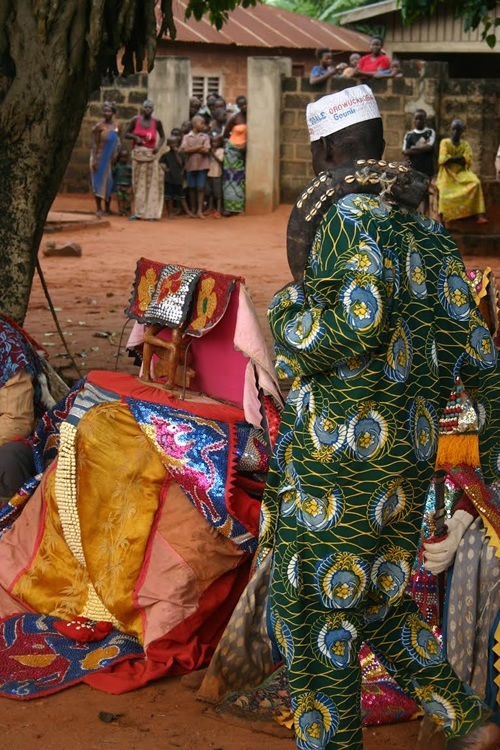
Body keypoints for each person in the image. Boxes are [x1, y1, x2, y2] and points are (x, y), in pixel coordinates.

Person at [252, 85, 500, 750]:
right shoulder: (430, 234)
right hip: (403, 467)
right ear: (378, 146)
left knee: (312, 618)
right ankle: (464, 719)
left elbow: (353, 327)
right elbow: (479, 355)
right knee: (378, 604)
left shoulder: (347, 219)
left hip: (341, 467)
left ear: (321, 153)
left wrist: (284, 315)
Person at [0, 314, 60, 504]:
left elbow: (16, 423)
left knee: (8, 460)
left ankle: (12, 528)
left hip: (21, 442)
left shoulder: (7, 347)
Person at [436, 118, 488, 224]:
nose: (456, 132)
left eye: (458, 130)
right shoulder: (445, 142)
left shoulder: (465, 144)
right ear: (451, 129)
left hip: (461, 172)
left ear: (462, 131)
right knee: (444, 192)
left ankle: (479, 214)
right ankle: (443, 217)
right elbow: (443, 160)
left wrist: (452, 158)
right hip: (447, 173)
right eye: (454, 129)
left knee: (476, 183)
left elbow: (467, 160)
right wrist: (460, 158)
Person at [124, 99, 165, 221]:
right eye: (146, 107)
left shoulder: (157, 122)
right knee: (138, 184)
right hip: (138, 155)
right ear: (142, 108)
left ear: (153, 109)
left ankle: (152, 214)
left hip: (150, 156)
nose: (148, 110)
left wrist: (158, 147)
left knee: (152, 185)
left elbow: (162, 136)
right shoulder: (135, 120)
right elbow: (126, 134)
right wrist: (135, 137)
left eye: (150, 108)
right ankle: (139, 212)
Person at [403, 109, 436, 214]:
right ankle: (416, 216)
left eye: (421, 118)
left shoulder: (429, 132)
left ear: (425, 120)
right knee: (414, 194)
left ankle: (425, 216)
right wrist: (422, 147)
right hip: (413, 169)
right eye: (416, 118)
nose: (418, 121)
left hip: (427, 170)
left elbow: (430, 147)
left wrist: (413, 148)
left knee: (425, 194)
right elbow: (404, 151)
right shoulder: (409, 135)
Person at [90, 101, 120, 216]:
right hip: (100, 157)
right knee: (98, 182)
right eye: (105, 111)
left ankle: (107, 208)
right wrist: (95, 161)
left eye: (109, 111)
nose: (106, 113)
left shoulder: (116, 126)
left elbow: (118, 141)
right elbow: (94, 144)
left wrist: (116, 155)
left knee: (109, 183)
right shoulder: (99, 126)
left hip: (110, 159)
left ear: (113, 112)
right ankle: (99, 208)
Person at [180, 114, 211, 219]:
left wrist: (192, 149)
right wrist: (198, 147)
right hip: (190, 166)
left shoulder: (205, 136)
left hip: (202, 166)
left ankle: (199, 210)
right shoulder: (186, 137)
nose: (203, 125)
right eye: (201, 123)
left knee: (201, 188)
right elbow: (184, 150)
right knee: (192, 188)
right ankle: (193, 209)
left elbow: (206, 150)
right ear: (194, 124)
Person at [222, 94, 247, 215]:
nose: (244, 107)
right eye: (241, 105)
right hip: (231, 152)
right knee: (229, 180)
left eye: (245, 104)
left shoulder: (252, 117)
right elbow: (225, 134)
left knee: (239, 179)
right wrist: (234, 146)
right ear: (238, 106)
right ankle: (229, 208)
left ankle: (238, 207)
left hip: (242, 152)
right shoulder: (235, 118)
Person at [159, 135, 192, 218]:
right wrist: (165, 169)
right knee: (168, 197)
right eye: (172, 143)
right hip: (169, 178)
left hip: (178, 178)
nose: (174, 145)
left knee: (181, 196)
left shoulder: (180, 154)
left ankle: (188, 212)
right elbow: (160, 163)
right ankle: (170, 213)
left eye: (176, 143)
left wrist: (176, 153)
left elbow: (181, 164)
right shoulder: (165, 155)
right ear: (169, 144)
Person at [112, 148, 133, 216]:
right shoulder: (117, 166)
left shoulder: (129, 167)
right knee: (120, 198)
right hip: (119, 185)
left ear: (128, 158)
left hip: (127, 185)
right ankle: (121, 211)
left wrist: (129, 175)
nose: (123, 159)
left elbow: (133, 176)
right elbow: (113, 172)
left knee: (127, 199)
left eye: (125, 157)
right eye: (121, 157)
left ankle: (127, 210)